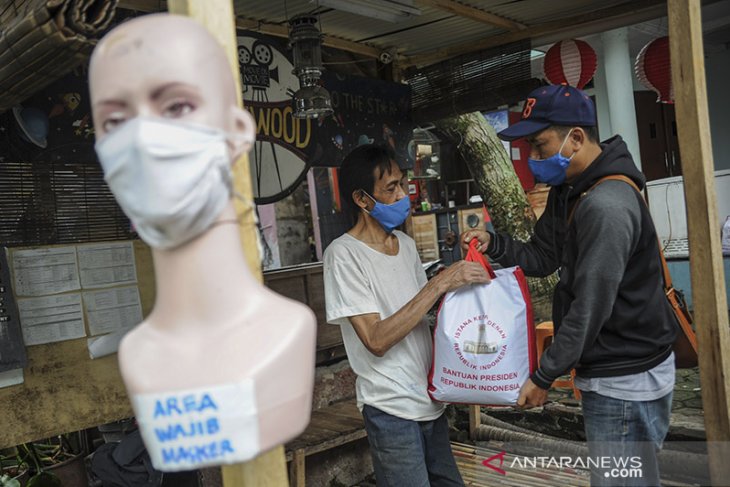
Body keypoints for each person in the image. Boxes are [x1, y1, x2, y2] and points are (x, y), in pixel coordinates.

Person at [89, 14, 316, 471]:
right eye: (115, 120)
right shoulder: (140, 357)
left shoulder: (285, 333)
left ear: (237, 131)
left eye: (175, 106)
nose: (143, 139)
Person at [462, 84, 677, 486]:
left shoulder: (606, 205)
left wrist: (544, 376)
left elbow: (590, 307)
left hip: (626, 379)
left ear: (575, 138)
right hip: (609, 368)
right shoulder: (570, 191)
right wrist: (498, 245)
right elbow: (544, 257)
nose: (534, 158)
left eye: (539, 146)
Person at [323, 144, 490, 487]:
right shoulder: (343, 255)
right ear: (362, 199)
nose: (403, 195)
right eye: (390, 188)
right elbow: (376, 339)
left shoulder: (406, 245)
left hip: (429, 397)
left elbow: (419, 312)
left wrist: (459, 280)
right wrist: (440, 283)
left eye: (402, 183)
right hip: (390, 406)